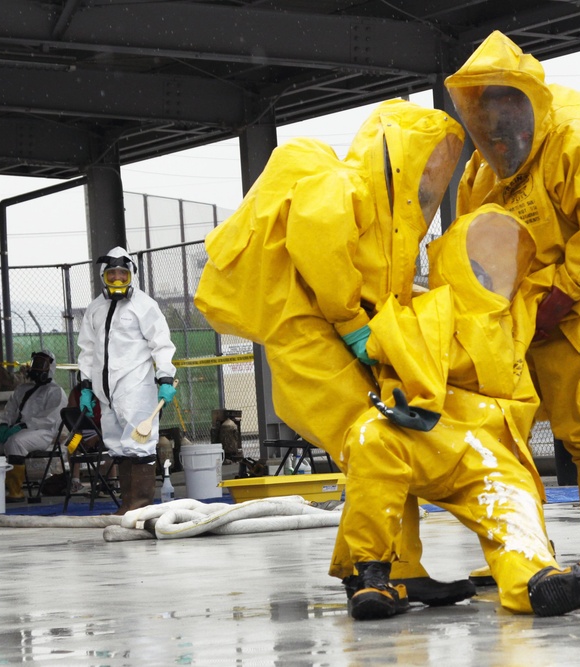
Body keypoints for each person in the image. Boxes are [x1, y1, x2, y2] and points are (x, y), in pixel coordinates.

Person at [195, 98, 475, 606]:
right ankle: (372, 574)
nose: (432, 177)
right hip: (306, 336)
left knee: (385, 445)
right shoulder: (346, 187)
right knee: (376, 440)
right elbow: (318, 245)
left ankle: (390, 568)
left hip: (328, 338)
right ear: (398, 155)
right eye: (426, 161)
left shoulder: (393, 223)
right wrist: (352, 324)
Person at [340, 205, 580, 620]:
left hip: (492, 453)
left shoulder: (517, 311)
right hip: (431, 437)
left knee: (514, 504)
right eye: (477, 264)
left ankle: (539, 584)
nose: (491, 274)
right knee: (370, 436)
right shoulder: (426, 312)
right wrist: (371, 355)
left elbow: (562, 286)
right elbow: (382, 341)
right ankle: (372, 575)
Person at [446, 31, 580, 560]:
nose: (495, 126)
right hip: (522, 312)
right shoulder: (481, 171)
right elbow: (473, 241)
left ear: (526, 101)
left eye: (503, 106)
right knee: (500, 424)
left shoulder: (577, 143)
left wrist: (565, 292)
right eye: (484, 113)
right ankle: (519, 551)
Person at [76, 246, 176, 515]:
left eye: (123, 273)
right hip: (105, 392)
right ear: (103, 276)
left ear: (132, 274)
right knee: (118, 446)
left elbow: (161, 344)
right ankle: (128, 506)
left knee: (139, 445)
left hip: (136, 388)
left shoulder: (144, 306)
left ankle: (140, 506)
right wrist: (86, 386)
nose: (118, 279)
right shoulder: (96, 308)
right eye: (112, 274)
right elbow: (87, 350)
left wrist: (165, 376)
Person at [0, 350, 66, 502]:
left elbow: (49, 419)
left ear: (51, 367)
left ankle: (15, 492)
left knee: (16, 442)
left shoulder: (56, 392)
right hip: (11, 432)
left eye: (42, 364)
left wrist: (23, 425)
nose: (36, 368)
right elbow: (9, 410)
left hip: (42, 433)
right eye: (35, 363)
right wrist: (3, 425)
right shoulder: (21, 389)